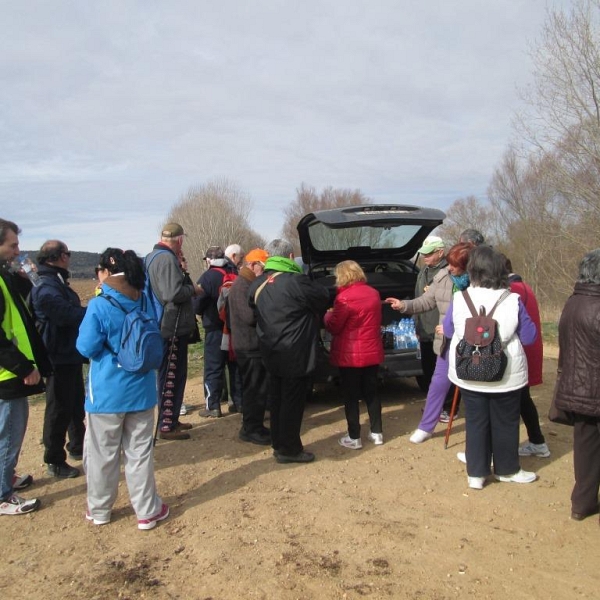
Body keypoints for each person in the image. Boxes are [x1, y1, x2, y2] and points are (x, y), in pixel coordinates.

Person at [76, 248, 169, 529]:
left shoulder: (100, 304)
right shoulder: (143, 300)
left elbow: (86, 347)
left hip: (106, 393)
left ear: (105, 271)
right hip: (141, 389)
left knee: (102, 454)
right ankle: (147, 511)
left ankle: (100, 509)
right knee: (139, 453)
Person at [443, 245, 537, 490]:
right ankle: (507, 469)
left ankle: (476, 473)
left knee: (475, 421)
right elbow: (529, 337)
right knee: (505, 421)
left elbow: (451, 331)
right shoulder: (512, 299)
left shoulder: (459, 298)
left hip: (468, 370)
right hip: (505, 372)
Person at [248, 239, 330, 463]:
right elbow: (323, 297)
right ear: (291, 257)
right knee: (292, 402)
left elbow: (251, 304)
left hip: (270, 350)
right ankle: (290, 450)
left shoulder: (258, 283)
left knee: (277, 400)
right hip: (296, 352)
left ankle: (279, 444)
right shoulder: (297, 281)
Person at [386, 242, 474, 443]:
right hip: (446, 341)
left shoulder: (479, 283)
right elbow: (426, 301)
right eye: (449, 264)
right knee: (437, 383)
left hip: (471, 343)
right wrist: (403, 305)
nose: (449, 268)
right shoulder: (442, 276)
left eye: (454, 265)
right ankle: (426, 426)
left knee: (473, 387)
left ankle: (480, 433)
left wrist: (457, 328)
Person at [0, 218, 51, 515]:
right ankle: (3, 494)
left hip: (12, 368)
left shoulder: (5, 276)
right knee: (9, 431)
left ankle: (7, 475)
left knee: (11, 428)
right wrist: (22, 367)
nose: (18, 251)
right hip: (8, 371)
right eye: (13, 245)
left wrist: (22, 273)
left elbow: (21, 298)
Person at [29, 240, 85, 478]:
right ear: (60, 256)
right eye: (68, 254)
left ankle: (78, 445)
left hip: (68, 353)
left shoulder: (56, 281)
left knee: (75, 403)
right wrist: (90, 312)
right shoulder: (46, 285)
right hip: (56, 355)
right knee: (58, 407)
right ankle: (54, 459)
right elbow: (64, 314)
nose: (69, 258)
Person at [552, 249, 600, 521]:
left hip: (578, 389)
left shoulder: (572, 302)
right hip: (593, 389)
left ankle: (581, 504)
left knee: (585, 449)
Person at [145, 223, 201, 440]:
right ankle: (167, 425)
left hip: (165, 322)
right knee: (171, 375)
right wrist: (193, 289)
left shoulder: (152, 256)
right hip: (171, 324)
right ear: (180, 240)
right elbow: (172, 292)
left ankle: (173, 418)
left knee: (174, 373)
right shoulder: (167, 259)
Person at [324, 260, 384, 449]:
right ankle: (377, 433)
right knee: (372, 393)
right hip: (371, 351)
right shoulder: (374, 294)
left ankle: (354, 437)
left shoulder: (343, 298)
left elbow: (334, 326)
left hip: (349, 354)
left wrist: (327, 315)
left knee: (351, 396)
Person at [503, 256, 550, 458]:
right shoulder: (523, 286)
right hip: (527, 351)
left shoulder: (513, 291)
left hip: (520, 354)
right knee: (523, 400)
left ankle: (508, 450)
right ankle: (537, 441)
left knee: (515, 402)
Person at [227, 248, 271, 445]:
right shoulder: (241, 286)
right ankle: (251, 428)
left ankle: (254, 426)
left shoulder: (246, 283)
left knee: (257, 388)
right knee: (253, 389)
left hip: (251, 345)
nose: (265, 271)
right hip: (248, 346)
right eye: (263, 267)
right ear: (253, 265)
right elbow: (248, 316)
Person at [195, 245, 242, 417]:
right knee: (236, 366)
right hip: (235, 329)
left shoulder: (207, 277)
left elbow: (197, 304)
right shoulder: (236, 274)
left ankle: (213, 406)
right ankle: (239, 403)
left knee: (213, 368)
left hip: (215, 329)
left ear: (209, 260)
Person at [412, 236, 447, 392]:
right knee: (428, 371)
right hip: (425, 331)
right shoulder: (423, 272)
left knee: (443, 373)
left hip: (441, 331)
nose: (425, 257)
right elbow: (418, 299)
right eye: (424, 254)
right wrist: (416, 325)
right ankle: (432, 403)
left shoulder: (448, 273)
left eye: (429, 253)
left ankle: (446, 406)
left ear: (440, 252)